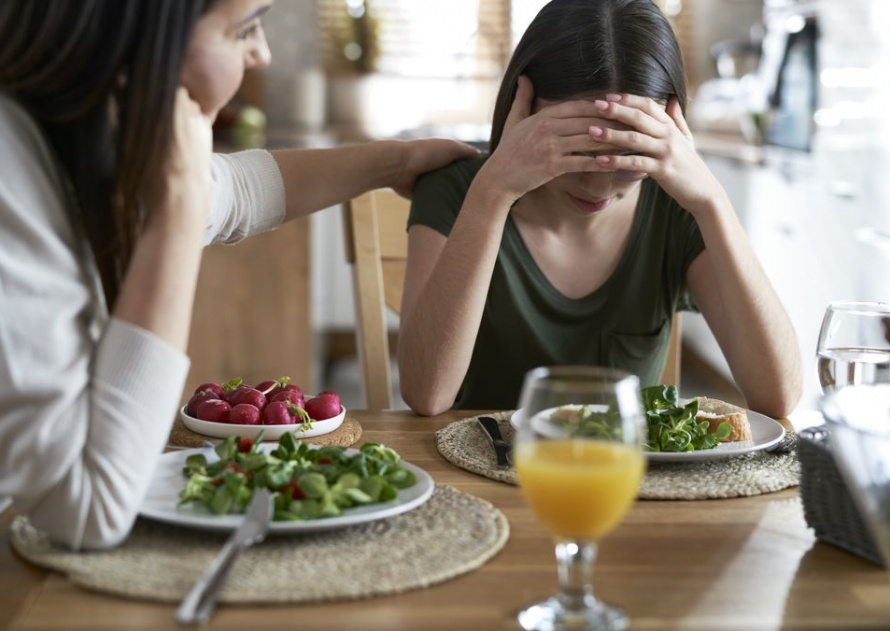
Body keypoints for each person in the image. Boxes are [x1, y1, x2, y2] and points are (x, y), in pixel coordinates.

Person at [0, 0, 477, 550]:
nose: (263, 52)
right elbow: (90, 510)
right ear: (147, 34)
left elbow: (239, 191)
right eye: (243, 29)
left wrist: (396, 162)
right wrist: (178, 214)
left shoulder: (68, 128)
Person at [398, 0, 803, 418]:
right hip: (477, 472)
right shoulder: (459, 189)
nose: (598, 185)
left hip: (625, 478)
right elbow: (427, 394)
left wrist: (712, 201)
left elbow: (778, 396)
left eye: (627, 158)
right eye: (574, 152)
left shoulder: (679, 207)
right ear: (524, 111)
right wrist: (492, 192)